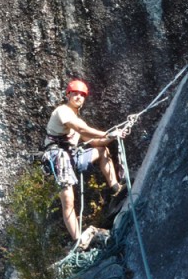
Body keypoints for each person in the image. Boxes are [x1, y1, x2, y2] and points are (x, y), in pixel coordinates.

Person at [42, 78, 127, 244]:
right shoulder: (62, 111)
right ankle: (78, 240)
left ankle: (116, 188)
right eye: (75, 93)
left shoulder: (76, 119)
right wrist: (106, 133)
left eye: (82, 94)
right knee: (68, 200)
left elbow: (96, 143)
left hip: (71, 157)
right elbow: (81, 129)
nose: (79, 97)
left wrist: (113, 136)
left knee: (102, 151)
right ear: (68, 95)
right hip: (59, 157)